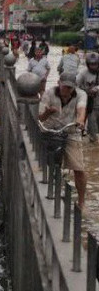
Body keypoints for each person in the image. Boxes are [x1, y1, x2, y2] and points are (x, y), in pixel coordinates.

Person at [39, 72, 87, 207]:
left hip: (70, 131)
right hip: (49, 131)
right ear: (59, 83)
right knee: (46, 164)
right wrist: (48, 112)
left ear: (74, 87)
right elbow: (40, 118)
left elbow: (81, 109)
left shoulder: (81, 94)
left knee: (79, 168)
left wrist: (80, 120)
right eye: (64, 86)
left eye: (70, 88)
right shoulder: (49, 93)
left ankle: (82, 202)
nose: (66, 90)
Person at [77, 52, 99, 142]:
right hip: (91, 104)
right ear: (87, 64)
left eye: (95, 64)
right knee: (92, 128)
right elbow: (75, 86)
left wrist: (97, 88)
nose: (93, 66)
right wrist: (85, 92)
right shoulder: (83, 73)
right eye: (91, 64)